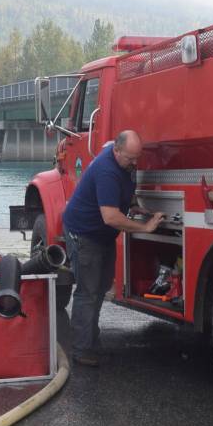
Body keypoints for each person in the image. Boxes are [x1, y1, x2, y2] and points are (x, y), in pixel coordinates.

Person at [62, 130, 164, 366]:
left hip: (102, 236)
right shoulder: (106, 170)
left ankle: (91, 342)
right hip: (84, 234)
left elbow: (124, 199)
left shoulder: (123, 163)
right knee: (88, 291)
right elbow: (110, 217)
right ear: (116, 151)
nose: (135, 163)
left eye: (137, 157)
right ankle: (81, 350)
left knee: (101, 286)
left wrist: (139, 208)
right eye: (130, 158)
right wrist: (144, 227)